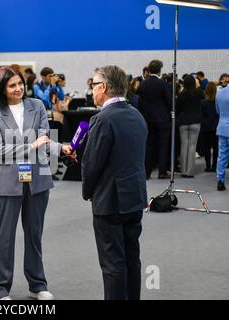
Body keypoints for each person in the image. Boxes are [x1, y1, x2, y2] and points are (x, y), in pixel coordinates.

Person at [0, 66, 72, 300]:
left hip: (38, 179)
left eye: (20, 83)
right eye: (12, 85)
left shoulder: (36, 105)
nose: (18, 88)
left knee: (34, 235)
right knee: (4, 237)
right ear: (2, 89)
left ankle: (37, 285)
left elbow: (45, 141)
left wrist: (61, 148)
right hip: (9, 181)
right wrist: (29, 147)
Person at [81, 65, 148, 300]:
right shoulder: (136, 114)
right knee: (132, 259)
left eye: (93, 84)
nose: (92, 90)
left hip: (110, 201)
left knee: (113, 265)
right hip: (134, 197)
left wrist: (87, 192)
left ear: (104, 87)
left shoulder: (102, 119)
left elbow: (92, 165)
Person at [138, 60, 172, 179]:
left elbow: (140, 102)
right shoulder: (163, 84)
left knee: (149, 145)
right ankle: (162, 172)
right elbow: (169, 102)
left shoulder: (143, 84)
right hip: (162, 119)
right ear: (159, 70)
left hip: (147, 119)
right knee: (163, 145)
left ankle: (146, 172)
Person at [177, 75, 204, 178]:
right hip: (195, 122)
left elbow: (178, 108)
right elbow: (203, 96)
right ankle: (190, 172)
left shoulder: (181, 94)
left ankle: (183, 170)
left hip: (183, 122)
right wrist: (198, 85)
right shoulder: (198, 93)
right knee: (192, 146)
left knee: (184, 146)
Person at [201, 82, 219, 172]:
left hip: (206, 127)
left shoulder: (203, 102)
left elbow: (201, 115)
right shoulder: (218, 102)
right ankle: (214, 166)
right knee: (216, 148)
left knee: (207, 148)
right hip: (216, 126)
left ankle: (208, 166)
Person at [216, 82, 229, 191]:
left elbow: (218, 110)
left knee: (222, 155)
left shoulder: (219, 92)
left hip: (222, 127)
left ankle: (220, 181)